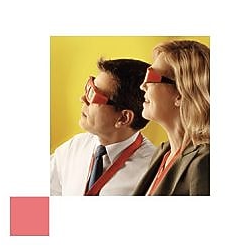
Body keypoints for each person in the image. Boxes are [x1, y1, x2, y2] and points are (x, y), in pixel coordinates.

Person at [50, 58, 158, 196]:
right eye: (89, 88)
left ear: (123, 118)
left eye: (94, 95)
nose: (83, 99)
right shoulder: (74, 147)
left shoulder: (152, 173)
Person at [132, 39, 211, 196]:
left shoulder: (205, 162)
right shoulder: (163, 153)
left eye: (151, 76)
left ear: (180, 94)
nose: (143, 86)